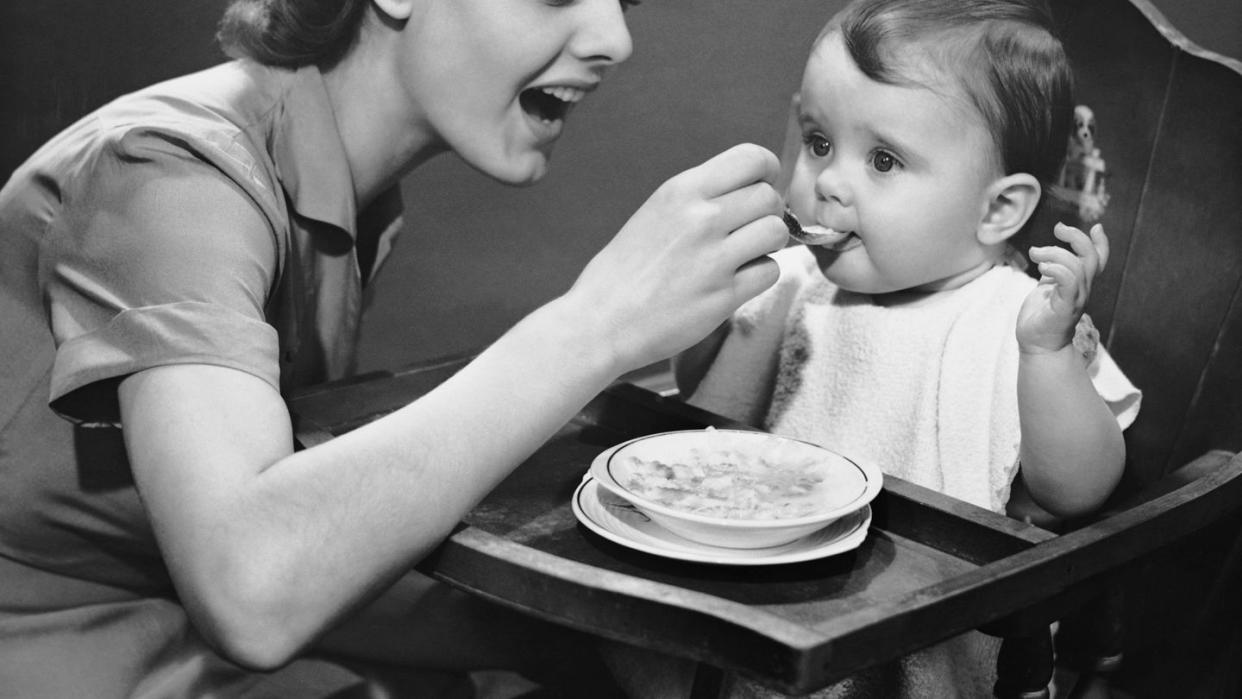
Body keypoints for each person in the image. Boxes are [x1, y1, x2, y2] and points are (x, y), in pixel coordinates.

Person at [0, 0, 791, 696]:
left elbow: (316, 552)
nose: (615, 37)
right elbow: (255, 587)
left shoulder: (336, 188)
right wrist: (597, 325)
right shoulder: (173, 174)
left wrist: (617, 640)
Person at [674, 0, 1141, 695]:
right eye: (818, 141)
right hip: (762, 604)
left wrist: (1046, 358)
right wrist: (718, 308)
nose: (828, 181)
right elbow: (709, 408)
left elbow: (1080, 487)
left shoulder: (1018, 316)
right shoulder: (798, 280)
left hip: (928, 634)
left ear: (997, 210)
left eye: (884, 159)